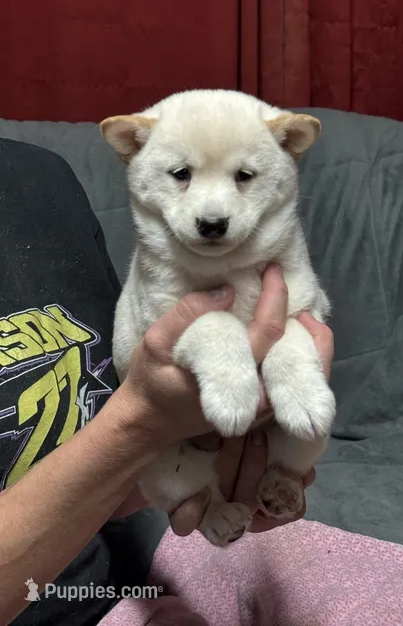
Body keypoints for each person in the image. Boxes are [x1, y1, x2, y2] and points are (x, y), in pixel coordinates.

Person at [0, 136, 334, 625]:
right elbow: (132, 421)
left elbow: (95, 430)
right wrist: (146, 425)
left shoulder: (40, 176)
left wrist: (200, 455)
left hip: (127, 591)